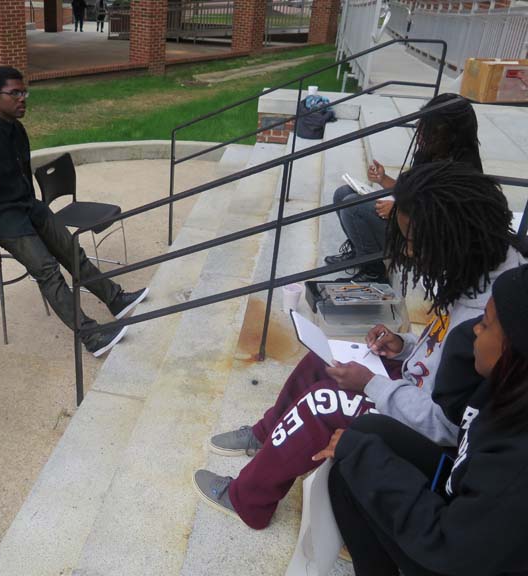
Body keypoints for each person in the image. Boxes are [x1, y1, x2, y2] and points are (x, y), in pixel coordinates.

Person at [192, 161, 526, 530]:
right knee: (325, 358)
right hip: (413, 389)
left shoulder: (490, 312)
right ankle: (266, 434)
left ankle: (248, 501)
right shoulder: (477, 270)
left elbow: (446, 425)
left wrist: (371, 384)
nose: (411, 254)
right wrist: (403, 346)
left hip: (429, 438)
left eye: (413, 242)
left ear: (450, 237)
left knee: (324, 401)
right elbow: (440, 353)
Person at [322, 263, 528, 576]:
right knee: (361, 442)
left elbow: (448, 548)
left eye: (485, 325)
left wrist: (369, 458)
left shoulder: (516, 468)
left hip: (454, 554)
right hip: (464, 495)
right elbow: (452, 403)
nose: (473, 329)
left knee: (356, 460)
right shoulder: (506, 386)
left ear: (512, 353)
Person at [0, 66, 148, 357]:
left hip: (28, 206)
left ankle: (116, 300)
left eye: (25, 92)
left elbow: (21, 174)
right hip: (3, 218)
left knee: (73, 251)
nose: (23, 98)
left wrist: (35, 209)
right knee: (48, 271)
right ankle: (91, 335)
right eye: (15, 93)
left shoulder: (16, 129)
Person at [324, 93, 483, 283]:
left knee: (353, 207)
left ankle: (373, 271)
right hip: (407, 220)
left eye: (428, 129)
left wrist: (399, 211)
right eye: (421, 126)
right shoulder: (431, 153)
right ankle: (360, 253)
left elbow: (443, 221)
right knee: (342, 194)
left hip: (421, 239)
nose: (420, 133)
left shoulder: (462, 170)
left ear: (450, 134)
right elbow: (410, 190)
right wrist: (384, 179)